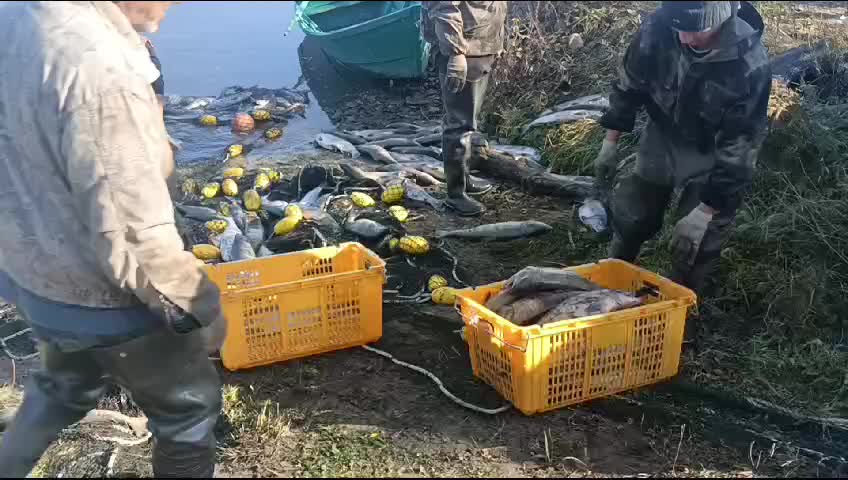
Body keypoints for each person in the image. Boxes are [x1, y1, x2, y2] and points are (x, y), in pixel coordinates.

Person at [0, 2, 225, 477]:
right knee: (187, 413)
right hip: (99, 293)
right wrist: (198, 306)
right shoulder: (99, 68)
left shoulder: (21, 15)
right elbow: (130, 232)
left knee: (62, 387)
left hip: (33, 274)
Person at [595, 1, 771, 294]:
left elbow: (740, 147)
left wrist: (705, 210)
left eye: (695, 30)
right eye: (679, 29)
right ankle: (613, 274)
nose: (685, 38)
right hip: (663, 133)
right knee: (634, 211)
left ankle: (681, 304)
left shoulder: (749, 64)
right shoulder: (659, 28)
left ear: (720, 20)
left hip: (713, 150)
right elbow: (629, 85)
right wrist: (609, 143)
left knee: (696, 242)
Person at [421, 1, 507, 216]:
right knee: (459, 123)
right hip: (464, 49)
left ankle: (464, 177)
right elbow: (444, 6)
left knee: (468, 122)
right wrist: (455, 53)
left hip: (481, 44)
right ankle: (455, 194)